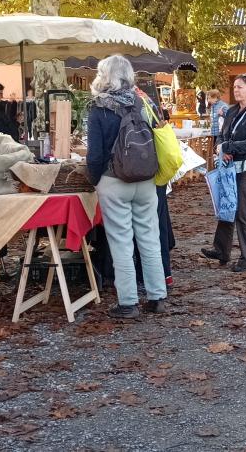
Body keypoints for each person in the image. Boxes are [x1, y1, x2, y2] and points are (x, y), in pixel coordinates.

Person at [85, 55, 168, 318]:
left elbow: (95, 154)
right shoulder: (144, 102)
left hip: (114, 181)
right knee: (149, 238)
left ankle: (128, 303)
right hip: (145, 180)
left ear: (104, 76)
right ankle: (157, 297)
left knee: (121, 242)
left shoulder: (99, 107)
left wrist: (95, 179)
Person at [201, 73, 246, 273]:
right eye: (235, 87)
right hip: (229, 169)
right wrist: (222, 147)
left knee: (244, 214)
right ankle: (221, 250)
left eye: (240, 87)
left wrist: (229, 147)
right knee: (226, 207)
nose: (236, 90)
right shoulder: (231, 111)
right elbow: (222, 135)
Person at [207, 89, 229, 157]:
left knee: (219, 152)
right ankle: (215, 165)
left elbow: (230, 119)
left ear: (216, 97)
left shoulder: (223, 106)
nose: (208, 100)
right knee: (214, 152)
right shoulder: (213, 106)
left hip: (220, 134)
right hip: (213, 133)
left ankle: (220, 165)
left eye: (210, 98)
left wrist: (222, 114)